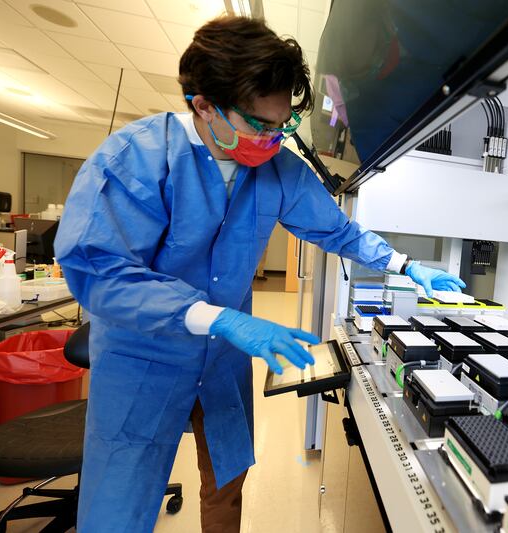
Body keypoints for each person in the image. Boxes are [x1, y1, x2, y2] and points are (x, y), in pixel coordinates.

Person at [55, 15, 465, 533]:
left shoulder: (279, 168)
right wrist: (217, 318)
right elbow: (100, 271)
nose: (273, 140)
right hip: (144, 355)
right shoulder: (135, 158)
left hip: (225, 356)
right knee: (121, 497)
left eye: (283, 124)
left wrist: (407, 266)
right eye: (259, 125)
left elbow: (338, 232)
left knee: (227, 482)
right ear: (204, 105)